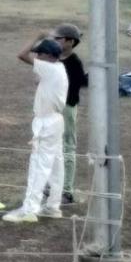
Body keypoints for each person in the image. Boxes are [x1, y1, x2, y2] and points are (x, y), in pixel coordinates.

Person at [5, 36, 69, 222]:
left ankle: (29, 209)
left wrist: (37, 37)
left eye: (40, 54)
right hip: (55, 122)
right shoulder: (58, 68)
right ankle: (52, 206)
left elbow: (22, 55)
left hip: (46, 123)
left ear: (48, 55)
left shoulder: (49, 68)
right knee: (56, 164)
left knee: (38, 165)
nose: (37, 57)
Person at [54, 23, 87, 205]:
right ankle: (53, 186)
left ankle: (67, 190)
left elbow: (76, 86)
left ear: (70, 41)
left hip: (66, 107)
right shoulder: (55, 58)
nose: (55, 41)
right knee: (52, 147)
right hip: (54, 108)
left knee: (68, 147)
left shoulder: (74, 63)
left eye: (59, 38)